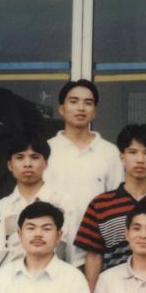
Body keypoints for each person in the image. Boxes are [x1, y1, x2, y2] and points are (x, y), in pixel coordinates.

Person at [74, 123, 146, 292]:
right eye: (133, 152)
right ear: (122, 156)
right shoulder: (100, 204)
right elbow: (94, 256)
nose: (140, 159)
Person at [43, 79, 123, 267]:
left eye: (88, 103)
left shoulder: (110, 152)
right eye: (74, 101)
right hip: (51, 250)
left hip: (95, 253)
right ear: (61, 109)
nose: (81, 108)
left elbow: (116, 206)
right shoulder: (46, 150)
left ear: (94, 111)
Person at [0, 134, 66, 276]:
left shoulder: (64, 205)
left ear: (46, 163)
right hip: (8, 287)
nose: (27, 164)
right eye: (20, 157)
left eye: (35, 157)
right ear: (10, 165)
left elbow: (76, 260)